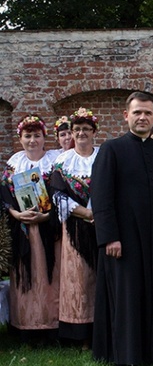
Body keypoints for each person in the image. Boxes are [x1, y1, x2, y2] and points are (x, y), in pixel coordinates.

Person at [90, 92, 153, 365]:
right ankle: (128, 353)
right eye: (137, 113)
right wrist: (110, 237)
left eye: (147, 113)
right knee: (129, 297)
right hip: (125, 240)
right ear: (126, 116)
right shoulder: (112, 149)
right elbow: (101, 196)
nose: (142, 117)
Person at [0, 115, 60, 344]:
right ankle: (27, 325)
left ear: (44, 138)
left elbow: (61, 195)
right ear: (20, 139)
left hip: (48, 229)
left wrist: (46, 216)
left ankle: (51, 325)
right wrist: (17, 214)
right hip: (23, 229)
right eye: (28, 136)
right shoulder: (15, 162)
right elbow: (4, 196)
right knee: (26, 277)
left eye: (37, 135)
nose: (32, 140)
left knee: (49, 277)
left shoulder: (54, 161)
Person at [50, 108, 99, 348]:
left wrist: (97, 212)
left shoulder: (103, 156)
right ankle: (79, 334)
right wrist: (84, 212)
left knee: (99, 278)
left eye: (85, 129)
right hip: (75, 226)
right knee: (78, 279)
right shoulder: (63, 160)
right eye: (76, 129)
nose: (80, 133)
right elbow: (57, 194)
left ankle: (101, 330)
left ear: (93, 133)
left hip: (101, 225)